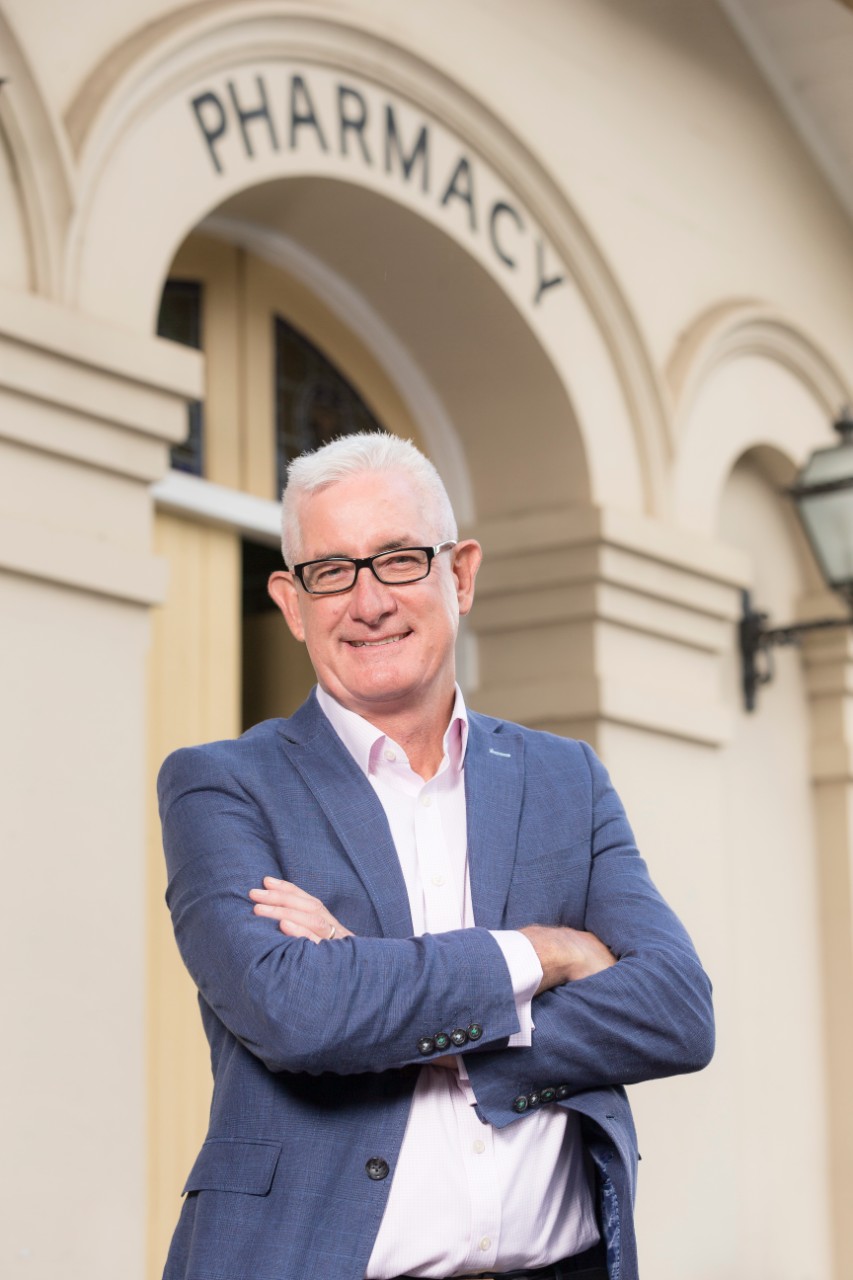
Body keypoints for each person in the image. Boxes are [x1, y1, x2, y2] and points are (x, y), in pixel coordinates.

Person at [158, 432, 714, 1280]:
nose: (366, 600)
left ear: (458, 574)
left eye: (397, 560)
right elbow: (293, 1015)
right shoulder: (222, 787)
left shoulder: (563, 779)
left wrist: (370, 985)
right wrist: (546, 954)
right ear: (291, 600)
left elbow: (676, 1011)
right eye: (330, 571)